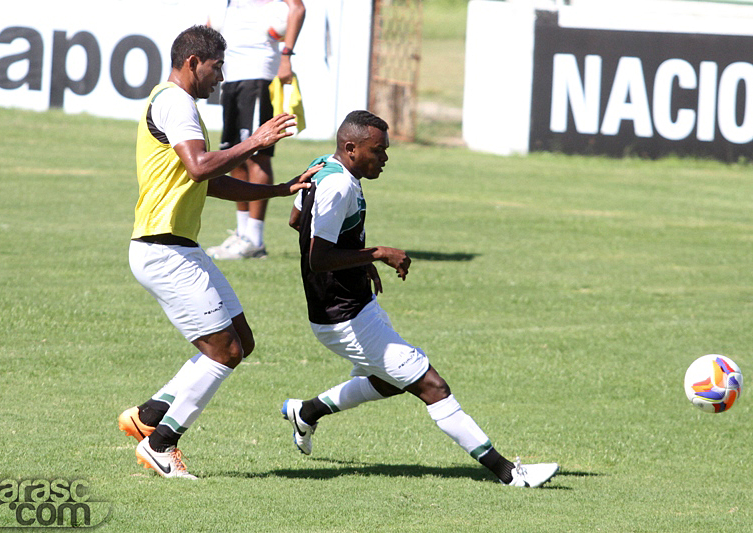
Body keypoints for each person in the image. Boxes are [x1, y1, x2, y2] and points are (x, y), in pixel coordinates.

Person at [282, 110, 559, 487]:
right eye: (378, 151)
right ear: (351, 148)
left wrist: (355, 262)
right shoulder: (339, 186)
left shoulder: (323, 167)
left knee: (390, 381)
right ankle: (510, 474)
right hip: (341, 317)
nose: (385, 159)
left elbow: (298, 221)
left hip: (355, 304)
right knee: (432, 385)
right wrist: (376, 253)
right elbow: (317, 257)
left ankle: (307, 411)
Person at [118, 24, 321, 479]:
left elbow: (206, 178)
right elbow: (199, 166)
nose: (221, 76)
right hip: (162, 249)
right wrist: (254, 141)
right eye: (216, 66)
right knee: (224, 351)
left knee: (240, 341)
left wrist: (281, 187)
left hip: (177, 248)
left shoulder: (175, 104)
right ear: (193, 62)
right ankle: (160, 444)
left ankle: (149, 416)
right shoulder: (176, 103)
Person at [205, 0, 306, 260]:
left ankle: (255, 238)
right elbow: (210, 25)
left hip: (259, 72)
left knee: (258, 154)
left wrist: (287, 55)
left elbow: (297, 8)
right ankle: (242, 234)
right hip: (231, 76)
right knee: (234, 153)